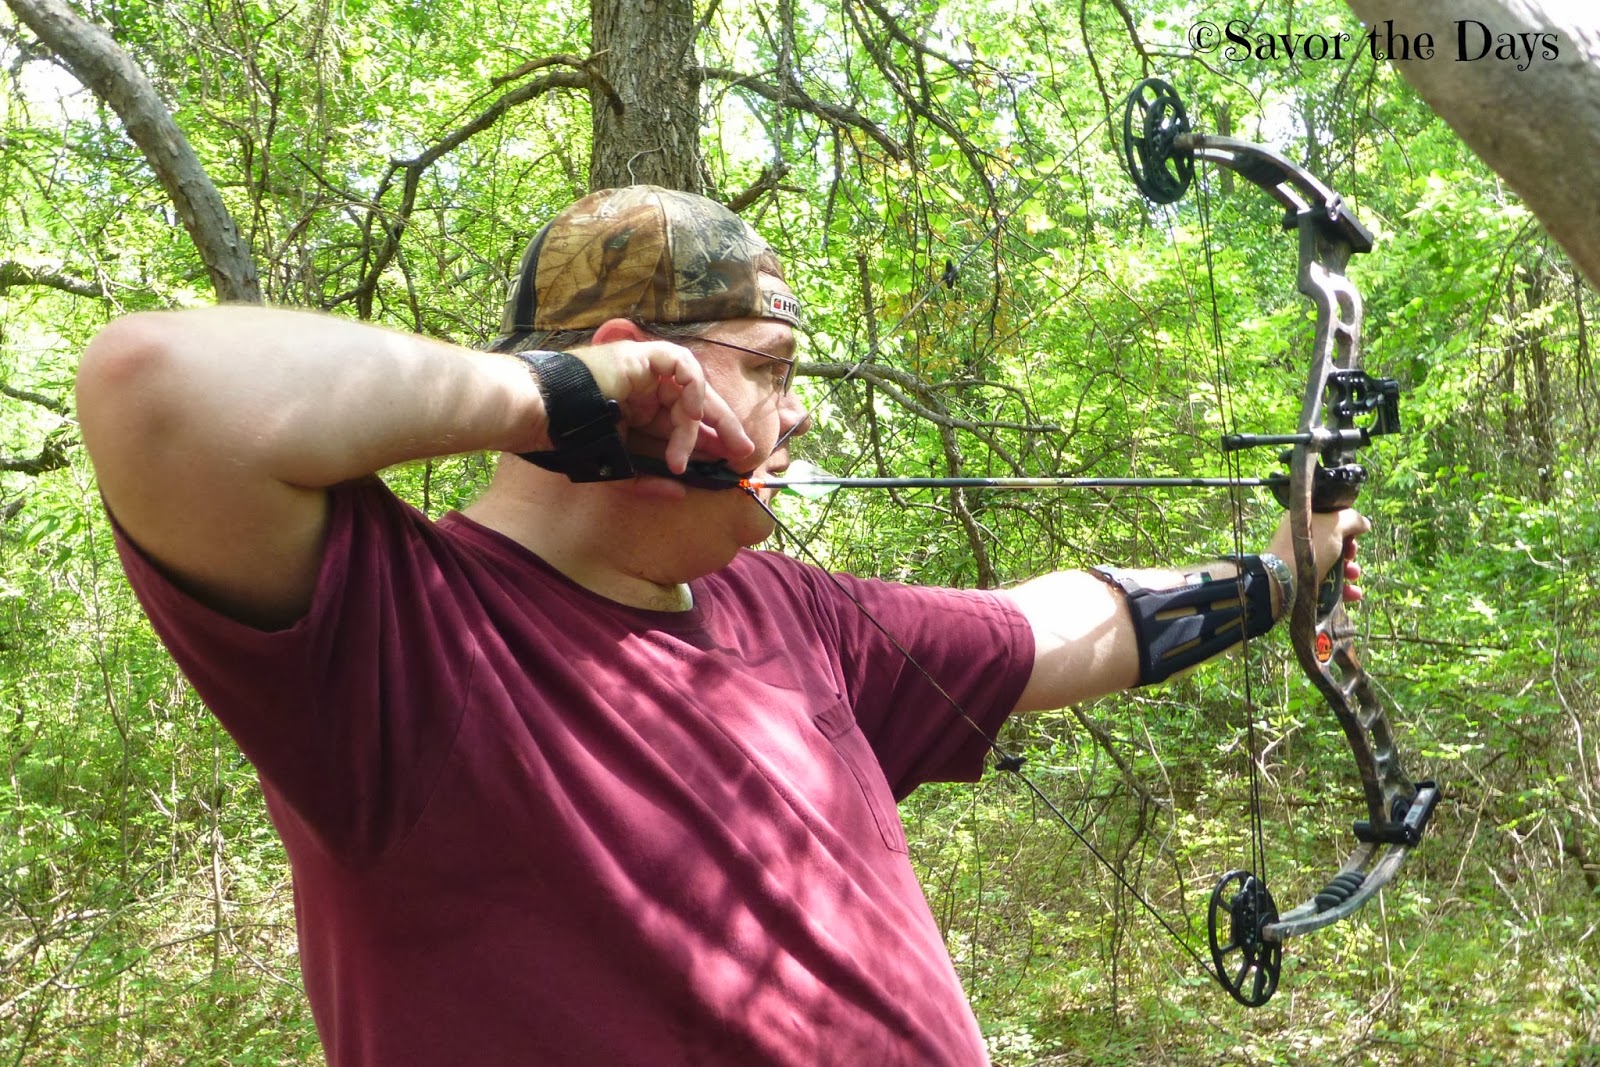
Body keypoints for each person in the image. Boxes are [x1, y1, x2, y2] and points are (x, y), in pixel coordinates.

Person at [76, 185, 1367, 1066]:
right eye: (775, 369)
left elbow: (1051, 632)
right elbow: (156, 388)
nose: (798, 418)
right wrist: (564, 395)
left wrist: (1276, 577)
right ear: (647, 364)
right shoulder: (404, 640)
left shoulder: (791, 613)